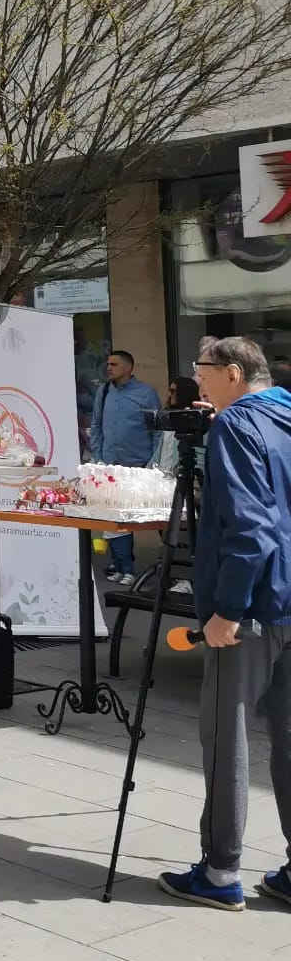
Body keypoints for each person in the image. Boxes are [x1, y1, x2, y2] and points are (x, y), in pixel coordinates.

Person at [159, 336, 291, 911]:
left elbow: (249, 527)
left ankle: (219, 872)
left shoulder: (236, 426)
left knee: (226, 736)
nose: (198, 381)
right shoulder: (281, 414)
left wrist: (227, 611)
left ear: (233, 373)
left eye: (203, 370)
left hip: (255, 606)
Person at [90, 349, 161, 587]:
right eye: (108, 364)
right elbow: (96, 425)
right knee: (115, 519)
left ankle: (144, 566)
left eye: (114, 364)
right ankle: (123, 567)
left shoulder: (146, 393)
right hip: (110, 464)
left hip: (139, 464)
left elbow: (157, 429)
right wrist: (99, 456)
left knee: (143, 518)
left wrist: (154, 462)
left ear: (128, 368)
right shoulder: (104, 392)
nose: (108, 368)